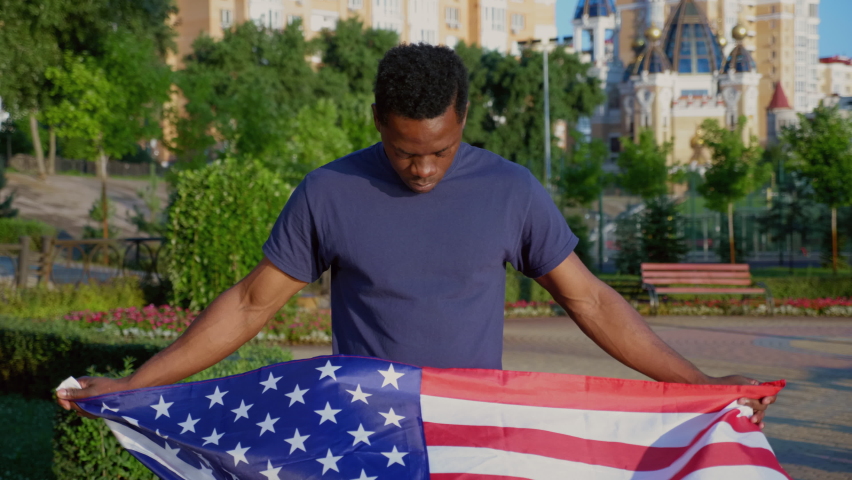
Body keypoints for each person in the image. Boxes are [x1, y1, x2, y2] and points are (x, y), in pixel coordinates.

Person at [58, 43, 775, 426]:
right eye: (407, 151)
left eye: (443, 149)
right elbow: (250, 304)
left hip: (472, 429)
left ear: (464, 119)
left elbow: (590, 303)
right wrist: (134, 385)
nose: (425, 168)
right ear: (378, 120)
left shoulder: (511, 190)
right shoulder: (329, 191)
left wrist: (703, 385)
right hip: (362, 431)